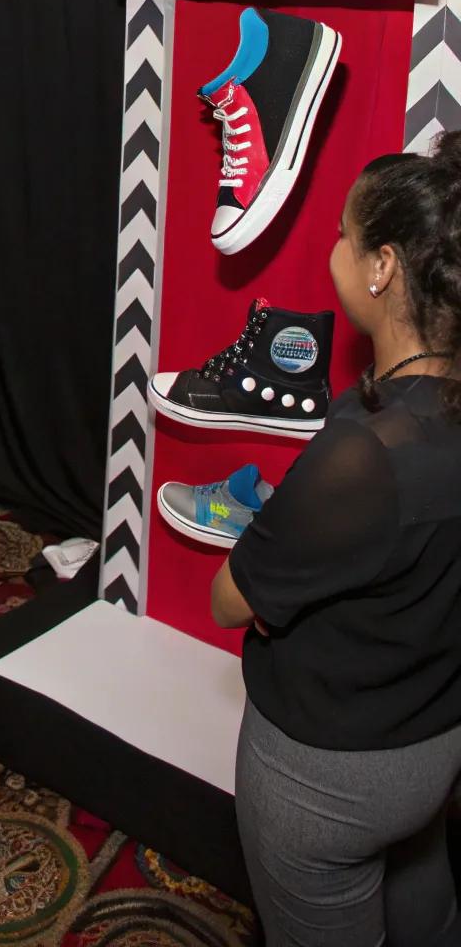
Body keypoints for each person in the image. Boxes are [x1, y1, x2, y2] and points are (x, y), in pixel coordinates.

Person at [211, 134, 461, 947]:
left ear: (382, 266)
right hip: (433, 745)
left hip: (326, 782)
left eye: (344, 238)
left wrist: (283, 536)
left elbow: (226, 600)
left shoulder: (366, 452)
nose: (334, 252)